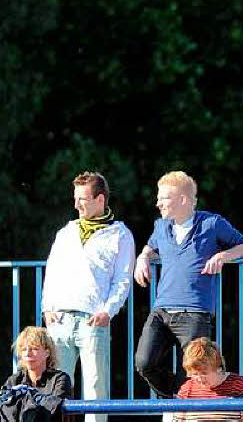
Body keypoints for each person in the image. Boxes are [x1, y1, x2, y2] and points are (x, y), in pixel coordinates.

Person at [134, 170, 243, 397]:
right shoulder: (161, 226)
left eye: (164, 198)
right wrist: (143, 257)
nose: (158, 203)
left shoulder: (211, 223)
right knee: (143, 362)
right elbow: (150, 247)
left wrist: (222, 256)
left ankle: (188, 404)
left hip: (195, 312)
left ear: (183, 199)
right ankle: (179, 397)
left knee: (194, 368)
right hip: (161, 310)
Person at [41, 171, 134, 422]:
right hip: (60, 319)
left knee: (95, 387)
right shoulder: (66, 232)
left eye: (82, 199)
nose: (76, 204)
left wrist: (108, 310)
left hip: (93, 318)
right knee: (56, 388)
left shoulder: (120, 234)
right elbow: (52, 270)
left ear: (100, 200)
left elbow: (123, 279)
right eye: (75, 198)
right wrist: (47, 307)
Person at [174, 337, 243, 422]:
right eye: (195, 374)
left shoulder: (239, 385)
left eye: (204, 373)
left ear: (218, 367)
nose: (200, 378)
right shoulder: (187, 389)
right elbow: (177, 420)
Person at [1, 327, 72, 422]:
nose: (27, 353)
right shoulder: (13, 380)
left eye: (34, 348)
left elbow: (55, 407)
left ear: (47, 353)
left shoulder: (60, 379)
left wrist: (30, 394)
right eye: (23, 349)